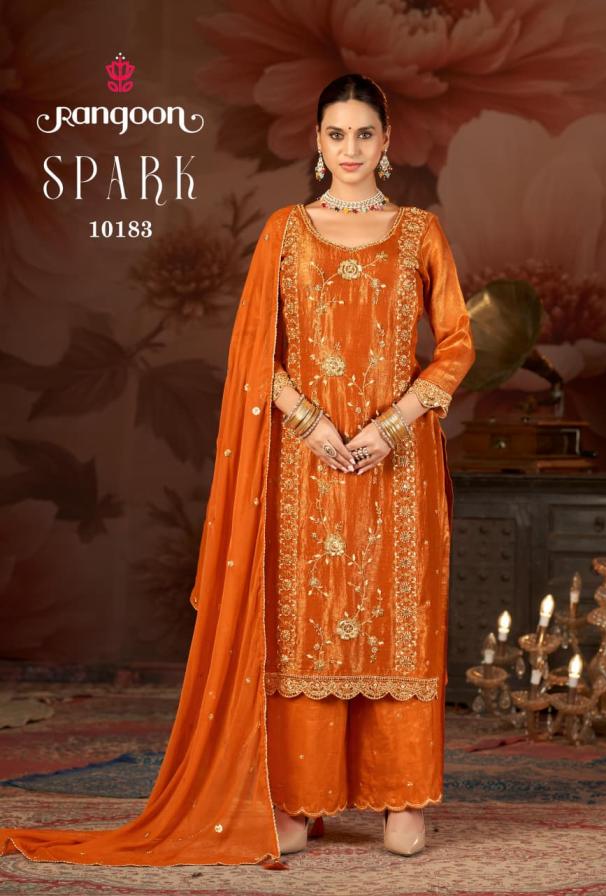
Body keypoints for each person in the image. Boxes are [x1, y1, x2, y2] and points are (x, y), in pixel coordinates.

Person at [0, 73, 475, 867]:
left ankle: (401, 796)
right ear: (316, 142)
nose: (350, 149)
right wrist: (312, 424)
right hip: (305, 462)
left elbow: (456, 343)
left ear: (387, 142)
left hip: (397, 462)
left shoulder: (421, 233)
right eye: (336, 134)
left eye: (364, 134)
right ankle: (299, 800)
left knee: (397, 618)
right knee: (306, 621)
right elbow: (256, 353)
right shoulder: (286, 232)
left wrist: (392, 425)